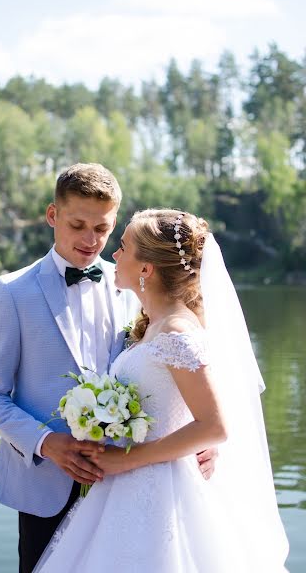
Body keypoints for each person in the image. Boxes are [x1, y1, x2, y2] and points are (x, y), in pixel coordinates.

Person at [0, 165, 217, 573]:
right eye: (77, 225)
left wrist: (199, 438)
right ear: (53, 216)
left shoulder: (134, 282)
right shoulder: (12, 293)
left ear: (115, 223)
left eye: (102, 229)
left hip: (130, 480)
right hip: (45, 483)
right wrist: (47, 442)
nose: (90, 240)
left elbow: (174, 372)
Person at [33, 208, 289, 573]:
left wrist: (128, 458)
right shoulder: (155, 325)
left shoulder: (177, 333)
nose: (114, 255)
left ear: (146, 269)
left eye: (122, 247)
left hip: (162, 490)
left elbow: (214, 426)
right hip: (127, 487)